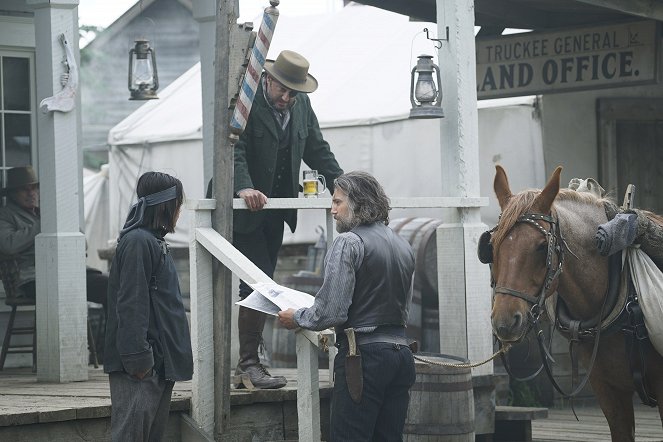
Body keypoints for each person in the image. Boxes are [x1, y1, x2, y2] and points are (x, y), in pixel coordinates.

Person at [207, 50, 343, 389]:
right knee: (258, 283)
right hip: (243, 209)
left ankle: (253, 360)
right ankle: (249, 364)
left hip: (276, 210)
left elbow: (317, 148)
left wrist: (344, 183)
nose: (287, 97)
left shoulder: (301, 107)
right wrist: (243, 187)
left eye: (293, 92)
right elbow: (231, 148)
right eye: (282, 90)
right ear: (267, 80)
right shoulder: (246, 101)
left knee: (264, 279)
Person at [278, 171, 416, 441]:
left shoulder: (348, 242)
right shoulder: (403, 245)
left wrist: (298, 317)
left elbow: (332, 311)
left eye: (337, 202)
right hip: (401, 356)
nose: (332, 210)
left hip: (363, 358)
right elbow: (403, 310)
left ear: (358, 203)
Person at [104, 171, 193, 442]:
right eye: (178, 204)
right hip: (142, 365)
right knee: (129, 436)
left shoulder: (152, 241)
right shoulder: (138, 242)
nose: (180, 211)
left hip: (159, 362)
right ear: (167, 206)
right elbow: (131, 303)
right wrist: (139, 360)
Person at [0, 166, 109, 361]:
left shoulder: (49, 212)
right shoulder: (6, 215)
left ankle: (111, 351)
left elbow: (81, 242)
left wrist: (60, 220)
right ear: (12, 193)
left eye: (34, 188)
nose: (31, 193)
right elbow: (8, 245)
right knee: (62, 291)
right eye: (25, 189)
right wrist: (43, 224)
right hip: (32, 279)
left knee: (113, 287)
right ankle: (59, 357)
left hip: (69, 273)